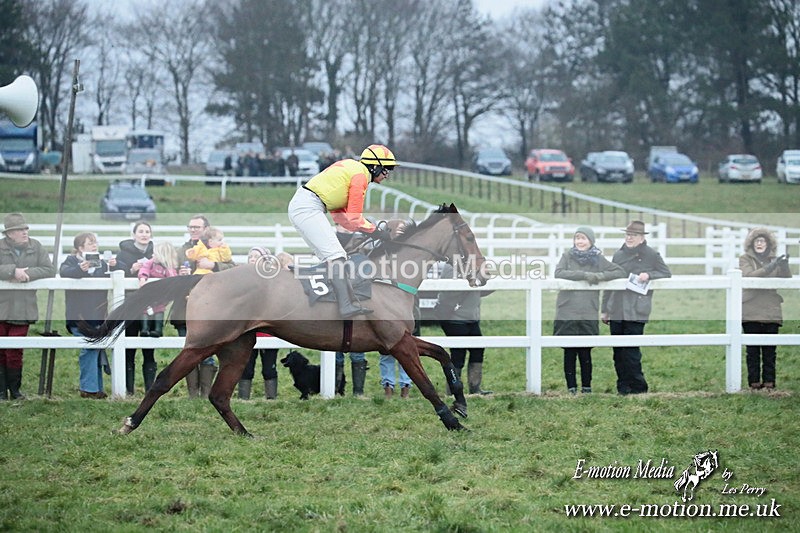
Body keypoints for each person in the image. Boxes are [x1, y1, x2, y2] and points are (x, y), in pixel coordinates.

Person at [287, 144, 396, 318]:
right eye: (386, 168)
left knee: (331, 256)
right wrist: (376, 231)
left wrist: (368, 231)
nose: (388, 173)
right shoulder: (360, 176)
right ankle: (345, 306)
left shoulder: (353, 169)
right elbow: (353, 217)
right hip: (308, 206)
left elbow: (341, 218)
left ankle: (330, 300)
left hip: (305, 204)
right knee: (336, 255)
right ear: (375, 166)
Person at [601, 221, 672, 395]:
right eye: (627, 234)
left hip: (637, 308)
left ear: (641, 238)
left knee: (632, 350)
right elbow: (611, 282)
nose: (629, 238)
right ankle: (623, 387)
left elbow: (666, 272)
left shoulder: (651, 255)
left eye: (633, 235)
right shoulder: (618, 255)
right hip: (617, 307)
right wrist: (605, 308)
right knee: (618, 351)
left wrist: (649, 275)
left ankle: (639, 387)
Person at [554, 227, 626, 394]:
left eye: (583, 238)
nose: (579, 241)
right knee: (569, 351)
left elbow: (618, 271)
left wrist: (599, 276)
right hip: (567, 309)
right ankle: (571, 388)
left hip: (588, 310)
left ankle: (587, 388)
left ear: (591, 241)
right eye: (577, 238)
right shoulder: (567, 256)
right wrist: (584, 275)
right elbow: (559, 272)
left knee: (586, 351)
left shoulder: (598, 258)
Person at [175, 214, 237, 398]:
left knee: (208, 348)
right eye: (191, 227)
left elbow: (234, 268)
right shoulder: (182, 250)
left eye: (197, 227)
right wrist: (181, 272)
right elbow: (169, 271)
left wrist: (214, 265)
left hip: (213, 308)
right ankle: (192, 393)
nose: (193, 230)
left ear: (206, 230)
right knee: (188, 350)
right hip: (185, 307)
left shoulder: (218, 248)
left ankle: (207, 393)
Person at [0, 213, 56, 400]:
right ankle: (1, 391)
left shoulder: (36, 246)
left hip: (23, 306)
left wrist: (28, 274)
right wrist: (11, 272)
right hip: (1, 306)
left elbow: (49, 269)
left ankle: (15, 391)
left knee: (15, 350)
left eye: (25, 229)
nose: (25, 232)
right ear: (9, 234)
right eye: (19, 230)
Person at [59, 232, 118, 399]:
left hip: (98, 314)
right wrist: (79, 269)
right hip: (79, 316)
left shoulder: (100, 263)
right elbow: (64, 272)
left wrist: (114, 265)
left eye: (95, 242)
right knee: (90, 346)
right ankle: (88, 388)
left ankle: (96, 388)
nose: (94, 245)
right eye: (90, 243)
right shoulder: (71, 261)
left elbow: (118, 271)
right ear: (80, 247)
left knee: (96, 348)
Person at [739, 228, 792, 390]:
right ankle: (754, 383)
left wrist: (783, 266)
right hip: (751, 309)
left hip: (771, 309)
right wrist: (770, 267)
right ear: (752, 244)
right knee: (753, 349)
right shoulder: (744, 259)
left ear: (768, 244)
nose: (760, 244)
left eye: (763, 241)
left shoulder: (774, 260)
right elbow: (749, 276)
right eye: (757, 241)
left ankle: (769, 383)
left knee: (770, 349)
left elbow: (785, 278)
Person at [434, 262, 492, 395]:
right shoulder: (451, 268)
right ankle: (453, 390)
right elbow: (449, 292)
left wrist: (486, 278)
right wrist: (474, 280)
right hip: (455, 318)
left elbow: (481, 291)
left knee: (478, 349)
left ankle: (475, 388)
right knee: (458, 353)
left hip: (472, 318)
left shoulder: (475, 266)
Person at [115, 220, 156, 394]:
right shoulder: (122, 254)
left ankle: (150, 389)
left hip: (151, 305)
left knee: (149, 349)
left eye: (147, 231)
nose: (144, 234)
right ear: (134, 235)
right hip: (131, 304)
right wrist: (131, 270)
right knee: (129, 348)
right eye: (141, 231)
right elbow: (116, 271)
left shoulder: (156, 253)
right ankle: (128, 389)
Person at [238, 246, 279, 400]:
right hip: (248, 329)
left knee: (269, 367)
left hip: (268, 329)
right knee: (247, 367)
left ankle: (271, 398)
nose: (252, 259)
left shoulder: (272, 279)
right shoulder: (241, 280)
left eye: (256, 256)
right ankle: (244, 399)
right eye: (250, 256)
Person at [138, 241, 179, 338]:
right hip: (149, 294)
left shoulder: (168, 268)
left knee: (159, 310)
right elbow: (144, 269)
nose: (152, 255)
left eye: (155, 254)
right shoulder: (151, 263)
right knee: (145, 310)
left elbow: (173, 279)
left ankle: (158, 329)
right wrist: (143, 278)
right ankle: (144, 329)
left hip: (161, 296)